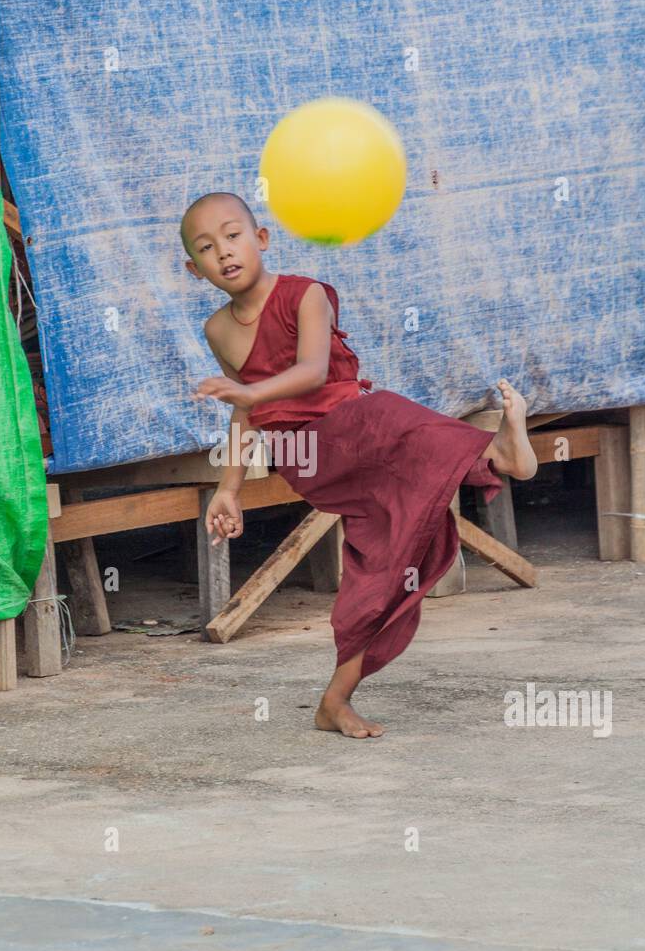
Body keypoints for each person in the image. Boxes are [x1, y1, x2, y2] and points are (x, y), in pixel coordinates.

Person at [182, 191, 537, 739]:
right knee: (387, 410)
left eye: (233, 235)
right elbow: (245, 415)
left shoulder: (307, 296)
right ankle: (493, 453)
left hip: (358, 439)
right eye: (207, 248)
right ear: (194, 269)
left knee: (388, 563)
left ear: (262, 239)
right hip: (312, 453)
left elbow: (314, 372)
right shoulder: (218, 330)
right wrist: (229, 488)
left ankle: (335, 700)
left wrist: (243, 393)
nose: (224, 252)